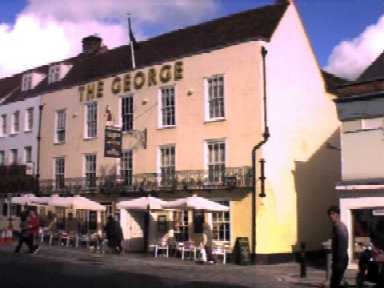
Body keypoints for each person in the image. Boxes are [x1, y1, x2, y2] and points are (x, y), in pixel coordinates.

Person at [327, 206, 348, 288]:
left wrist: (338, 262)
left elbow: (342, 246)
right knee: (336, 282)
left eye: (333, 214)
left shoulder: (340, 228)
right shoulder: (336, 227)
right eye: (329, 214)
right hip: (339, 259)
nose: (331, 216)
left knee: (335, 283)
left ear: (338, 214)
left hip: (341, 259)